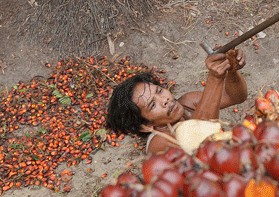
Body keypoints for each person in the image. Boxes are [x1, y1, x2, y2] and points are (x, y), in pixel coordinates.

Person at [106, 49, 247, 153]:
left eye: (160, 91)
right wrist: (215, 78)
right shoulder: (159, 144)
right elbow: (198, 136)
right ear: (145, 126)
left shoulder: (188, 102)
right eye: (153, 104)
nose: (165, 100)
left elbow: (234, 96)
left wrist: (231, 70)